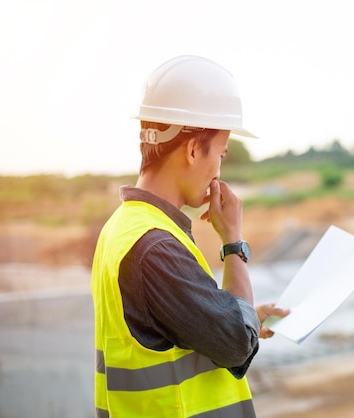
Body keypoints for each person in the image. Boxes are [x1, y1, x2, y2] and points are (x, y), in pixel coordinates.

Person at [91, 55, 289, 418]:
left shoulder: (124, 227)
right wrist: (232, 241)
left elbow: (180, 332)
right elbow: (238, 345)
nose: (218, 171)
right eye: (222, 154)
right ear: (195, 149)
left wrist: (234, 315)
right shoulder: (156, 247)